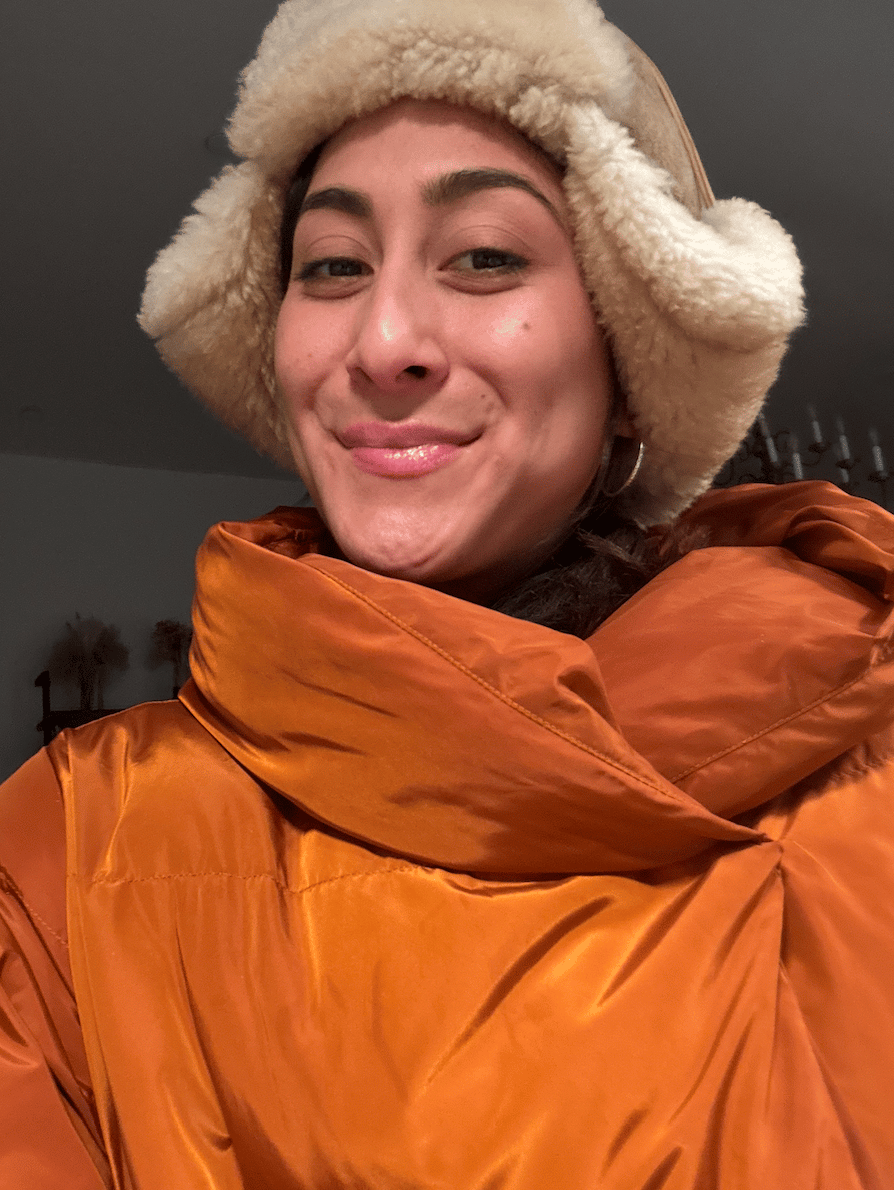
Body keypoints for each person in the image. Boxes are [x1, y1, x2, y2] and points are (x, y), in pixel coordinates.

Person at [3, 0, 894, 1185]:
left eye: (484, 255)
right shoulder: (70, 842)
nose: (383, 340)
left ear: (631, 364)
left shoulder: (868, 780)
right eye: (332, 264)